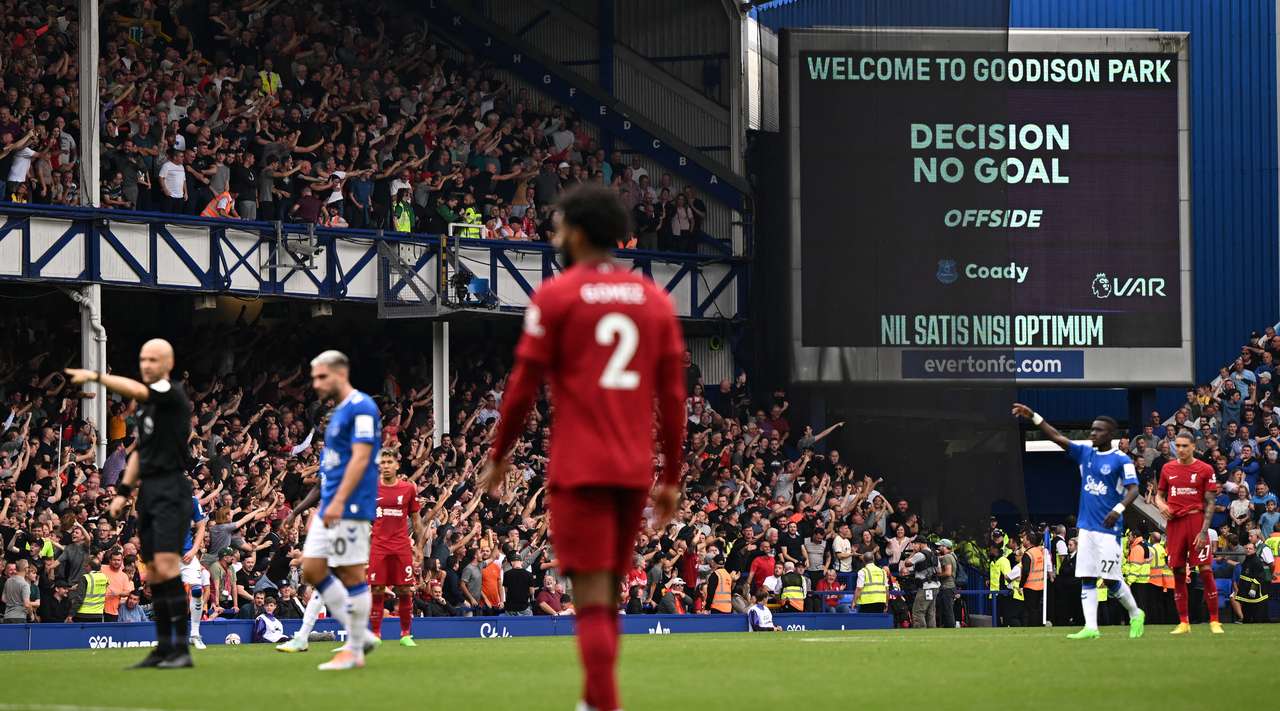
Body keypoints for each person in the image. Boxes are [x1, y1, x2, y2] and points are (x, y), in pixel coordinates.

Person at [479, 184, 686, 711]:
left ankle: (601, 702)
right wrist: (671, 477)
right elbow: (674, 398)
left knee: (591, 603)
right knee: (609, 597)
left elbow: (522, 388)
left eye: (556, 226)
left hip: (579, 469)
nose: (553, 235)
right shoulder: (655, 300)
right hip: (632, 470)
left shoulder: (556, 295)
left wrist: (499, 455)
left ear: (576, 230)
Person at [66, 339, 197, 667]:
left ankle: (178, 648)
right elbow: (140, 453)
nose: (147, 365)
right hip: (151, 493)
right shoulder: (149, 411)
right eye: (143, 359)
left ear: (166, 363)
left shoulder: (174, 395)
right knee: (155, 573)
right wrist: (123, 492)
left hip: (172, 489)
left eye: (153, 360)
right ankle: (165, 648)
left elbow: (137, 390)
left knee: (166, 570)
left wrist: (97, 376)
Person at [1011, 404, 1146, 639]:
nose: (1092, 434)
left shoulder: (1120, 459)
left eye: (1098, 430)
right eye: (1092, 430)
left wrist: (1118, 508)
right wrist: (1033, 416)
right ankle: (1091, 628)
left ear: (1110, 434)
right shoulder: (1086, 454)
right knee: (1087, 576)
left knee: (1112, 579)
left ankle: (1136, 614)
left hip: (1108, 530)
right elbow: (1056, 437)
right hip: (1086, 528)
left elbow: (1134, 489)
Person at [291, 350, 381, 671]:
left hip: (351, 504)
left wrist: (341, 500)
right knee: (312, 570)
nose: (315, 384)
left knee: (352, 573)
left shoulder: (363, 407)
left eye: (321, 377)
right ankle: (362, 637)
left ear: (340, 374)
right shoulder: (337, 415)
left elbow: (360, 458)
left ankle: (355, 648)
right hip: (331, 504)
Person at [1155, 431, 1223, 635]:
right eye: (1178, 445)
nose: (1181, 449)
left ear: (1194, 446)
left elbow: (1211, 502)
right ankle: (1184, 622)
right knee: (1177, 571)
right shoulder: (1168, 468)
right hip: (1175, 524)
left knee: (1205, 569)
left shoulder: (1205, 469)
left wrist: (1204, 532)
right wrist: (1161, 505)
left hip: (1196, 521)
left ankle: (1214, 621)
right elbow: (1159, 495)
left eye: (1185, 445)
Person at [368, 450, 424, 646]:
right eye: (382, 462)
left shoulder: (408, 489)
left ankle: (406, 634)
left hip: (401, 546)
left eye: (389, 461)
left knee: (404, 590)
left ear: (397, 465)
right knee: (377, 589)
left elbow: (416, 520)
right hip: (379, 546)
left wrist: (419, 546)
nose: (385, 465)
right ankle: (375, 634)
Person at [181, 491, 210, 649]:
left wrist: (193, 550)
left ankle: (195, 634)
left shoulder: (191, 501)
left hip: (187, 555)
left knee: (197, 591)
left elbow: (201, 526)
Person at [899, 538, 939, 628]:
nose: (914, 546)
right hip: (935, 586)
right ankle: (933, 634)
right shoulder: (934, 554)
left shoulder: (921, 554)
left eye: (915, 544)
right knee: (931, 612)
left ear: (920, 544)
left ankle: (920, 631)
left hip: (925, 587)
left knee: (918, 611)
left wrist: (914, 552)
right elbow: (939, 570)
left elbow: (907, 564)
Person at [935, 539, 959, 629]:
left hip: (947, 587)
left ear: (945, 547)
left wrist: (937, 575)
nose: (938, 548)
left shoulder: (947, 557)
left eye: (940, 546)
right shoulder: (952, 556)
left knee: (947, 610)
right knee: (947, 609)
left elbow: (948, 573)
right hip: (950, 587)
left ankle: (950, 628)